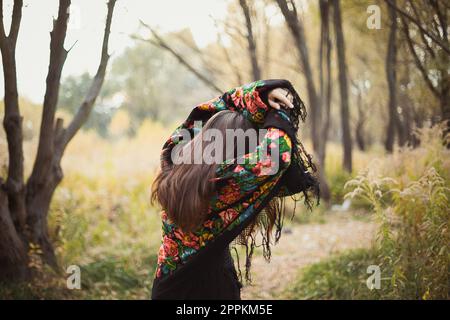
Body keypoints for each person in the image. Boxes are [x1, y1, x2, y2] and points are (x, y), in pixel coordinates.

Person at [151, 79, 319, 299]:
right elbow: (274, 157)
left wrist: (258, 97)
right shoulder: (222, 185)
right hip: (205, 291)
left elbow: (200, 115)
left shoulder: (174, 165)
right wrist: (279, 114)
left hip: (168, 289)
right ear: (238, 153)